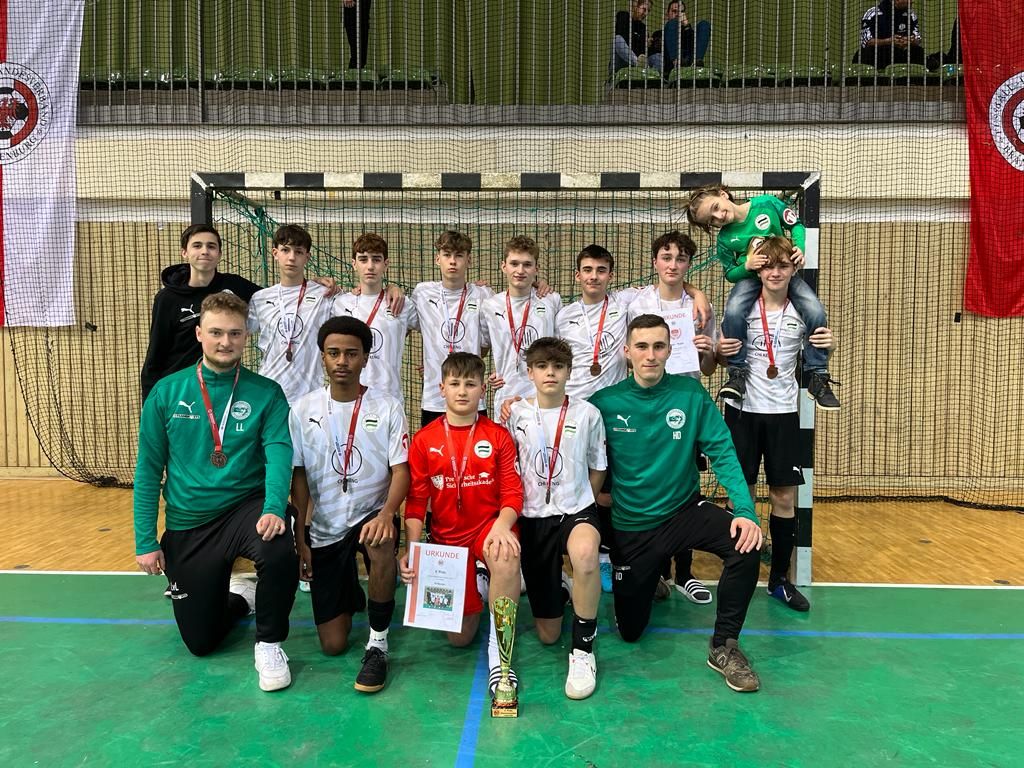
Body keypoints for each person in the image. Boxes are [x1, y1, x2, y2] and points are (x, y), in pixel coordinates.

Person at [590, 314, 764, 692]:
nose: (650, 355)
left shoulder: (690, 395)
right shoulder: (604, 403)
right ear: (627, 352)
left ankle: (724, 645)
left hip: (684, 512)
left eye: (658, 346)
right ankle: (650, 577)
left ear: (670, 350)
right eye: (642, 346)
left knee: (746, 544)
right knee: (631, 632)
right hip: (633, 526)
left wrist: (745, 511)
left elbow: (723, 452)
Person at [133, 292, 298, 691]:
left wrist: (274, 507)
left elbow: (280, 454)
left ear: (246, 337)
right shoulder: (166, 393)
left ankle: (269, 643)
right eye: (217, 333)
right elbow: (148, 470)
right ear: (199, 334)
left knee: (277, 545)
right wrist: (145, 540)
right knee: (201, 642)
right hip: (190, 519)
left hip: (246, 507)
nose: (226, 342)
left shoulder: (267, 392)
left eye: (235, 333)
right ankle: (241, 598)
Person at [289, 316, 410, 692]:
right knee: (333, 645)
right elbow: (299, 476)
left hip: (372, 512)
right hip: (326, 524)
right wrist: (301, 536)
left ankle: (378, 644)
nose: (342, 361)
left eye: (351, 353)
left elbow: (401, 470)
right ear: (322, 357)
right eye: (334, 353)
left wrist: (388, 514)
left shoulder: (387, 406)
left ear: (365, 358)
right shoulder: (302, 409)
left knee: (380, 542)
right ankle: (352, 592)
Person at [718, 238, 835, 613]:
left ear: (793, 269)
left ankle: (779, 580)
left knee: (784, 498)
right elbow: (721, 353)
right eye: (768, 265)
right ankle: (741, 573)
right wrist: (719, 351)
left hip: (784, 413)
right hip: (742, 412)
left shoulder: (804, 311)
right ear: (758, 269)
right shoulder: (741, 308)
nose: (774, 272)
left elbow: (817, 349)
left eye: (782, 266)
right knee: (742, 496)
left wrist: (828, 347)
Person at [400, 352, 524, 701]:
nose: (462, 391)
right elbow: (416, 502)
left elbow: (513, 492)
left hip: (487, 530)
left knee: (504, 554)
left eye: (470, 384)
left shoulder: (497, 436)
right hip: (448, 544)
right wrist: (412, 550)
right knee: (459, 639)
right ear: (441, 388)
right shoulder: (424, 440)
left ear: (483, 390)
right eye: (454, 384)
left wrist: (502, 527)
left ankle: (501, 654)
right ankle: (482, 581)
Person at [506, 337, 606, 700]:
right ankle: (565, 588)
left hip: (575, 512)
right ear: (529, 372)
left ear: (569, 371)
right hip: (533, 518)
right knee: (548, 634)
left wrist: (582, 502)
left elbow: (598, 467)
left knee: (586, 555)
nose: (551, 373)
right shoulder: (514, 415)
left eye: (558, 366)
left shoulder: (587, 414)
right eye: (542, 366)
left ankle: (583, 650)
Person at [686, 184, 840, 411]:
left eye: (716, 208)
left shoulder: (766, 204)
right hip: (751, 279)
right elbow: (730, 273)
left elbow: (796, 225)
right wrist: (746, 266)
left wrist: (799, 247)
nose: (719, 217)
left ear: (723, 194)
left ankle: (818, 375)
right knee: (734, 310)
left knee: (815, 309)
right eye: (712, 221)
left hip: (781, 274)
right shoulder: (725, 239)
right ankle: (737, 373)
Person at [626, 230, 716, 605]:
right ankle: (659, 569)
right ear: (655, 262)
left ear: (689, 264)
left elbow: (709, 368)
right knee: (652, 484)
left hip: (684, 407)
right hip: (647, 407)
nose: (673, 265)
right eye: (666, 257)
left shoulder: (700, 308)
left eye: (681, 258)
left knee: (686, 487)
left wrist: (707, 350)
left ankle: (685, 572)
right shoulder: (637, 302)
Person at [140, 225, 261, 400]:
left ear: (219, 254)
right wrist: (150, 404)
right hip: (180, 390)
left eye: (211, 246)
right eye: (197, 246)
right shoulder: (167, 298)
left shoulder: (235, 285)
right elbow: (156, 355)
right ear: (184, 252)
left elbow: (274, 299)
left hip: (222, 387)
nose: (205, 251)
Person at [410, 231, 493, 427]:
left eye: (459, 255)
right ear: (437, 259)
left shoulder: (483, 295)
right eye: (447, 255)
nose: (453, 261)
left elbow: (485, 343)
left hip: (472, 398)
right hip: (434, 398)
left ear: (469, 260)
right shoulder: (422, 293)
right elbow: (401, 325)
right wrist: (392, 288)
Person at [247, 225, 335, 405]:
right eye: (285, 250)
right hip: (269, 392)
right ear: (275, 253)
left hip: (309, 395)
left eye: (299, 252)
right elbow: (239, 331)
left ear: (307, 257)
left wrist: (390, 289)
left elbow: (358, 303)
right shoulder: (260, 298)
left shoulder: (324, 295)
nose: (292, 257)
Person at [482, 236, 562, 422]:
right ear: (504, 266)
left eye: (527, 265)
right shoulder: (490, 305)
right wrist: (487, 375)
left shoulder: (551, 300)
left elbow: (560, 349)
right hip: (505, 394)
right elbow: (481, 349)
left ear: (536, 269)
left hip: (543, 394)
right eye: (514, 264)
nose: (520, 270)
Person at [333, 232, 418, 404]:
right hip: (350, 397)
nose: (370, 266)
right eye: (363, 259)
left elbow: (434, 331)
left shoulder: (402, 304)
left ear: (386, 264)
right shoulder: (340, 304)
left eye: (376, 259)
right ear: (354, 264)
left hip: (390, 399)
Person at [852, 0, 925, 70]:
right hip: (879, 55)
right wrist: (889, 41)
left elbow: (918, 39)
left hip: (900, 54)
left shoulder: (911, 15)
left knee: (918, 51)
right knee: (865, 53)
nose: (911, 1)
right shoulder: (872, 13)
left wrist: (911, 41)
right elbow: (867, 42)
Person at [656, 1, 712, 74]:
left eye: (681, 12)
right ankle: (676, 63)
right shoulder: (659, 33)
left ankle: (696, 64)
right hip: (670, 67)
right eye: (674, 11)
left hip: (690, 64)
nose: (678, 14)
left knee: (704, 25)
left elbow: (693, 44)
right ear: (667, 15)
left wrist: (686, 25)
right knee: (672, 23)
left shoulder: (688, 32)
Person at [612, 1, 656, 75]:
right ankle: (638, 64)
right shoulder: (623, 16)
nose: (646, 14)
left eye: (648, 11)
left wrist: (646, 44)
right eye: (644, 9)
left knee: (655, 56)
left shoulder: (643, 28)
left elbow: (641, 51)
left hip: (635, 68)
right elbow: (625, 38)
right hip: (621, 63)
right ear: (636, 6)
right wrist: (642, 41)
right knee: (618, 39)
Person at [343, 0, 372, 70]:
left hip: (363, 10)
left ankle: (356, 71)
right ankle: (353, 72)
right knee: (356, 53)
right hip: (352, 10)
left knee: (361, 55)